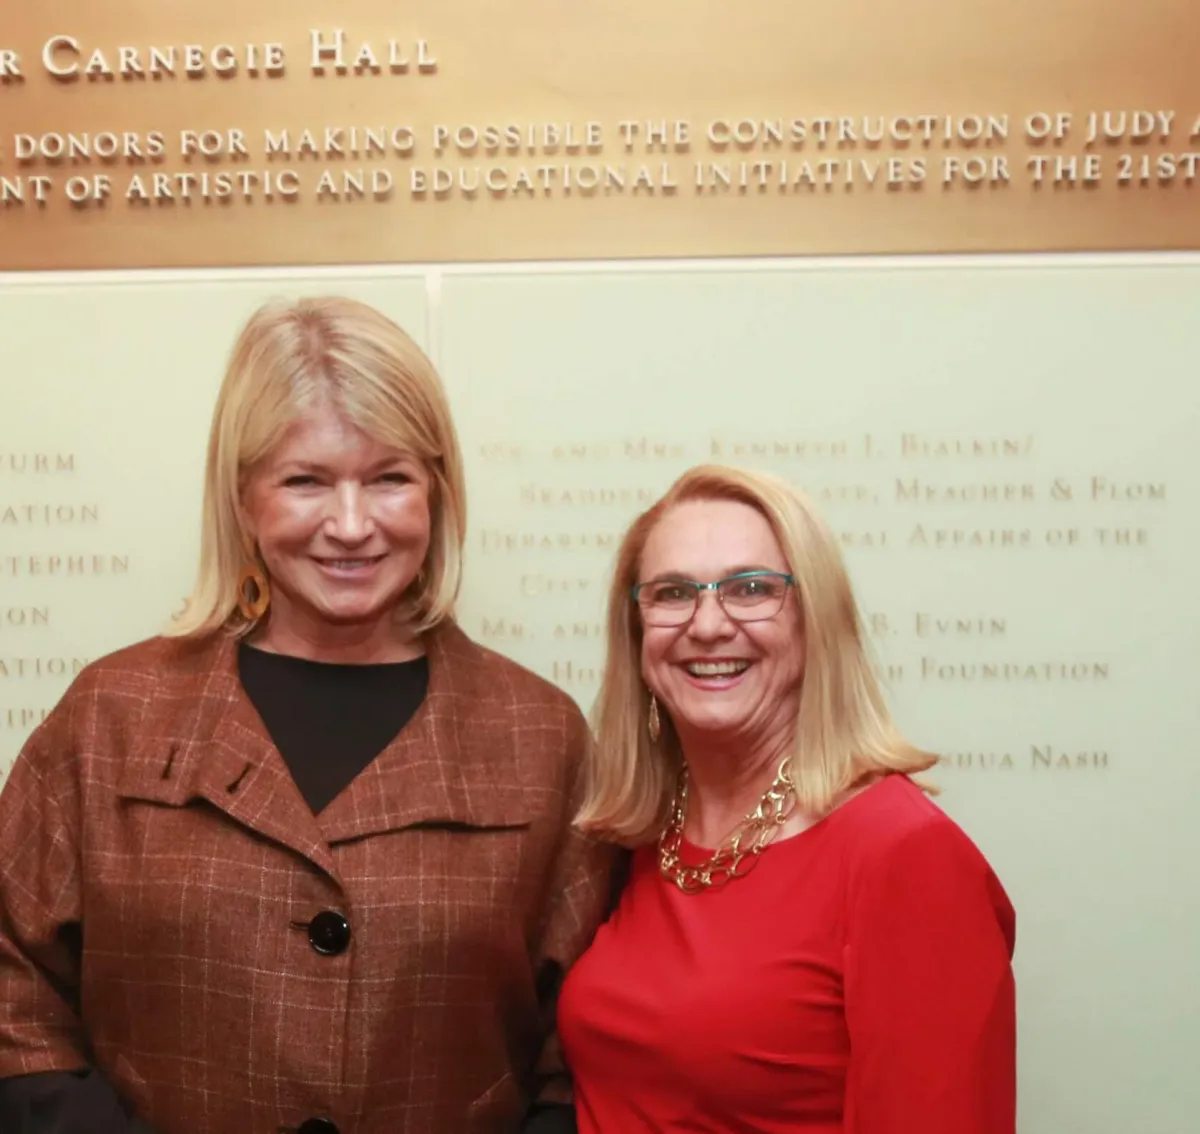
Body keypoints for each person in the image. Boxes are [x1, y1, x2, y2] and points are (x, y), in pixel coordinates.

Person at [0, 296, 617, 1134]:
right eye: (306, 482)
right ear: (244, 497)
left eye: (390, 478)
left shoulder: (539, 733)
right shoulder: (112, 714)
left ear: (437, 492)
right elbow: (15, 988)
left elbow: (583, 1042)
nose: (353, 525)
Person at [557, 464, 1017, 1133]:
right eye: (672, 593)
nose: (708, 625)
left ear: (816, 621)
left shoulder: (903, 853)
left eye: (751, 590)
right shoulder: (640, 839)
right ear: (636, 632)